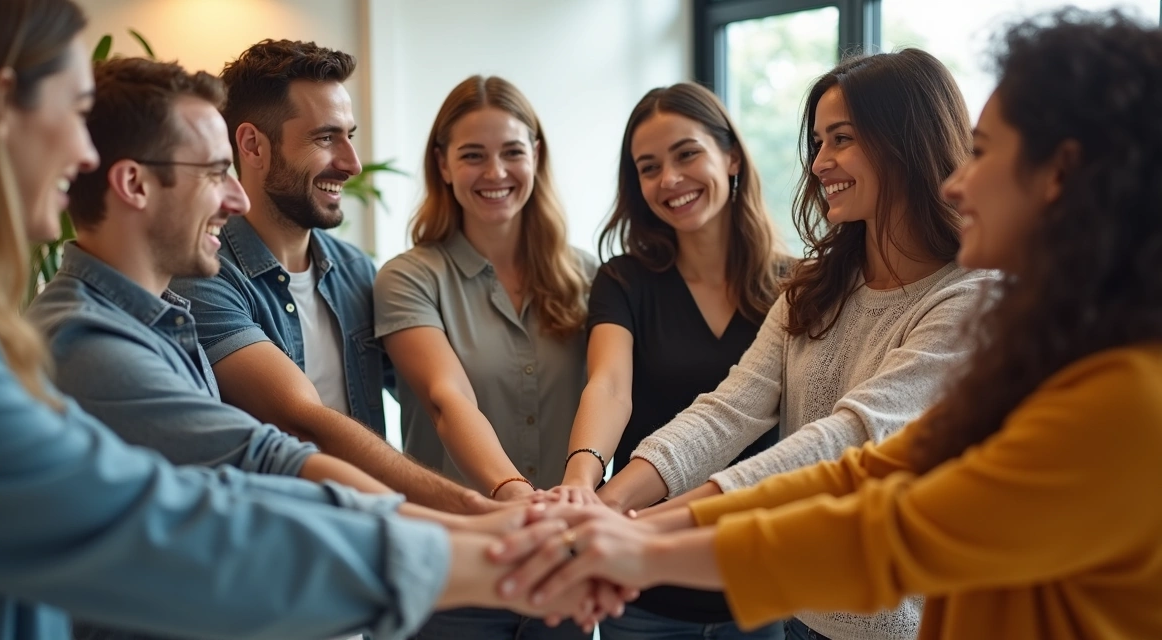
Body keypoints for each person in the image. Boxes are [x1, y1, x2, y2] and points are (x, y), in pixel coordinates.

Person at [0, 1, 623, 637]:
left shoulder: (245, 298)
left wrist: (519, 519)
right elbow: (253, 468)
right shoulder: (94, 333)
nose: (84, 152)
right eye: (74, 110)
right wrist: (492, 535)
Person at [491, 8, 1162, 640]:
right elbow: (821, 453)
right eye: (819, 142)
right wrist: (623, 522)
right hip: (803, 615)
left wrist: (643, 543)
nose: (959, 183)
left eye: (981, 152)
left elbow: (875, 508)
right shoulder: (834, 287)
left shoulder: (1109, 389)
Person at [597, 48, 995, 640]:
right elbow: (726, 412)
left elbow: (845, 441)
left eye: (842, 139)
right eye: (818, 142)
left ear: (906, 142)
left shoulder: (972, 296)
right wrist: (606, 504)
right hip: (801, 610)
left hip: (904, 623)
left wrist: (646, 530)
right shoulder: (815, 287)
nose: (820, 163)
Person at [169, 40, 490, 514]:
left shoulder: (359, 273)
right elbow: (304, 420)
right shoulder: (203, 276)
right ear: (252, 145)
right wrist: (475, 511)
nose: (351, 163)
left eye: (349, 136)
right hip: (282, 551)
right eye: (324, 138)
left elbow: (437, 394)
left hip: (377, 540)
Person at [548, 82, 786, 640]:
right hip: (645, 584)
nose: (670, 181)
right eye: (648, 167)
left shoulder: (795, 287)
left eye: (686, 154)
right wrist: (582, 482)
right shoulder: (625, 280)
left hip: (762, 579)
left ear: (731, 157)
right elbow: (609, 386)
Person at [372, 75, 596, 639]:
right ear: (443, 165)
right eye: (473, 156)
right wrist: (517, 499)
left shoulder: (589, 278)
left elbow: (613, 395)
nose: (495, 173)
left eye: (512, 152)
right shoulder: (409, 278)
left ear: (536, 157)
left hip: (566, 566)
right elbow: (449, 400)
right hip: (455, 569)